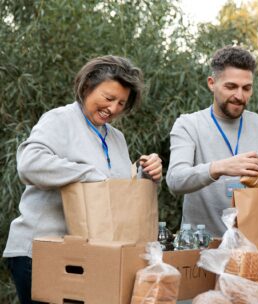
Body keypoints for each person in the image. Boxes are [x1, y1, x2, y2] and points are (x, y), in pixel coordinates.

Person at [2, 55, 162, 304]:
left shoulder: (116, 138)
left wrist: (145, 174)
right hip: (41, 253)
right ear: (87, 87)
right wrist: (86, 173)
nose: (113, 108)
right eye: (108, 98)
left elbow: (112, 190)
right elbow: (29, 164)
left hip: (86, 256)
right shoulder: (60, 120)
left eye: (121, 103)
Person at [166, 46, 258, 237]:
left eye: (246, 88)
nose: (240, 96)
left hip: (255, 247)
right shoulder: (189, 125)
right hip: (202, 250)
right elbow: (175, 180)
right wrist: (220, 167)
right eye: (231, 87)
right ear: (212, 83)